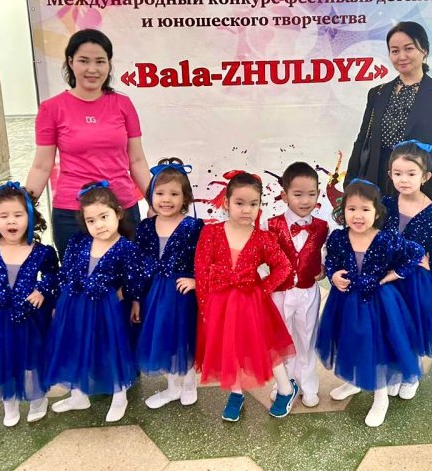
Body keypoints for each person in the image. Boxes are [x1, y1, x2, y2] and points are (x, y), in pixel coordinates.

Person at [26, 29, 151, 258]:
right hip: (72, 212)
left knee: (127, 276)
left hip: (121, 209)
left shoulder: (123, 104)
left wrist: (155, 201)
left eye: (100, 61)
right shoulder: (52, 108)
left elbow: (137, 160)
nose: (92, 69)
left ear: (109, 65)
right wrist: (23, 206)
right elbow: (42, 166)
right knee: (76, 276)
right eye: (84, 61)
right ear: (70, 62)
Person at [316, 179, 424, 427]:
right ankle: (354, 380)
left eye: (365, 209)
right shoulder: (338, 238)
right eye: (352, 209)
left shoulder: (386, 239)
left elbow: (415, 252)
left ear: (376, 213)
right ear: (343, 211)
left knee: (377, 347)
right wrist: (333, 274)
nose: (358, 215)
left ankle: (380, 397)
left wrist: (395, 274)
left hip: (379, 304)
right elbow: (332, 261)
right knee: (350, 341)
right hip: (345, 302)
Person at [194, 172, 298, 422]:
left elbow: (284, 266)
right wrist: (205, 306)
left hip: (251, 303)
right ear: (226, 203)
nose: (246, 210)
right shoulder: (211, 233)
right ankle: (236, 393)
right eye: (239, 203)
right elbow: (201, 269)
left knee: (265, 346)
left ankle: (286, 389)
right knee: (229, 348)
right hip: (219, 304)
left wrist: (263, 289)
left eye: (253, 204)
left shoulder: (262, 238)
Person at [44, 181, 147, 422]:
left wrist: (132, 298)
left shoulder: (126, 248)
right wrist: (58, 302)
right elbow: (65, 272)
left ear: (118, 214)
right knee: (76, 346)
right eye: (91, 221)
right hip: (74, 305)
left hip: (107, 309)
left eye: (104, 217)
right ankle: (79, 394)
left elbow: (135, 278)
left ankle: (119, 395)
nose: (99, 225)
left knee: (111, 350)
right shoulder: (78, 242)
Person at [0, 182, 59, 426]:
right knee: (2, 360)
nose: (11, 221)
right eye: (3, 216)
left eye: (18, 215)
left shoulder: (42, 251)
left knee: (32, 360)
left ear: (30, 217)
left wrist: (41, 289)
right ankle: (9, 402)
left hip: (30, 317)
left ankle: (38, 399)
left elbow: (53, 274)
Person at [382, 140, 432, 399]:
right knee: (391, 324)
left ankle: (411, 373)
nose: (404, 180)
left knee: (413, 325)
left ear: (425, 177)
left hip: (415, 282)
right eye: (398, 173)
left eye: (411, 174)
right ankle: (396, 369)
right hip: (388, 277)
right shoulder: (386, 205)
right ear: (390, 174)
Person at [347, 21, 432, 198]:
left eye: (409, 48)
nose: (401, 56)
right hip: (379, 179)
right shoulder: (378, 93)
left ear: (424, 50)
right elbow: (362, 140)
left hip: (418, 183)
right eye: (395, 51)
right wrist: (350, 182)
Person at [137, 158, 204, 409]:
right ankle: (172, 386)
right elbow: (137, 264)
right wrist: (136, 298)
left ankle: (189, 383)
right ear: (151, 196)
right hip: (153, 294)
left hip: (181, 294)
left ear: (185, 197)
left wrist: (196, 280)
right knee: (161, 338)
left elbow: (204, 260)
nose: (166, 199)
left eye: (174, 194)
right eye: (160, 193)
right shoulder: (145, 227)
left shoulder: (193, 226)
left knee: (183, 338)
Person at [265, 162, 329, 408]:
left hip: (308, 292)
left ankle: (309, 385)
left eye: (311, 194)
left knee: (307, 337)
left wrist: (324, 269)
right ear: (285, 196)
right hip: (280, 293)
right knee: (283, 339)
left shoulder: (324, 227)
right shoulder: (270, 224)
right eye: (298, 194)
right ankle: (284, 383)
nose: (305, 200)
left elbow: (329, 255)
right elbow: (260, 257)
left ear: (318, 194)